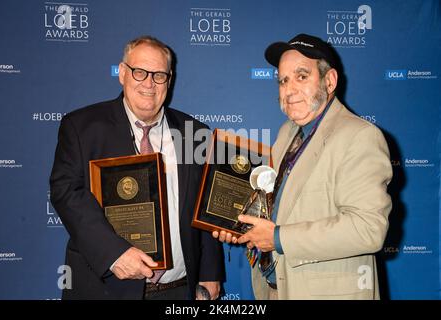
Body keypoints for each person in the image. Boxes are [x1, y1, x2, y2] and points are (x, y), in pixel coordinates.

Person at [214, 34, 392, 299]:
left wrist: (278, 239)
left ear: (329, 81)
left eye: (301, 76)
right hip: (278, 289)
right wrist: (240, 226)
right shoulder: (286, 133)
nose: (289, 89)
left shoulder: (359, 135)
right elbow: (277, 207)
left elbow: (368, 228)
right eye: (283, 80)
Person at [50, 35, 224, 300]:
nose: (149, 84)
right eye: (140, 72)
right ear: (122, 73)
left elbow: (205, 206)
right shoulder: (82, 127)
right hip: (104, 288)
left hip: (177, 290)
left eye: (159, 75)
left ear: (170, 79)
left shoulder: (194, 133)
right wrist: (113, 252)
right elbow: (66, 193)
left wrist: (209, 273)